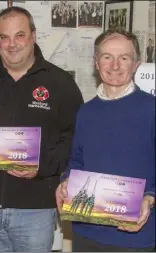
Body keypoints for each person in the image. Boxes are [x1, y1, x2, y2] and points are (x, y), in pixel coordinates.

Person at [0, 6, 84, 252]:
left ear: (33, 36)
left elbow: (75, 139)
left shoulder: (60, 83)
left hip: (36, 209)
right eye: (4, 37)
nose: (11, 44)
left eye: (19, 35)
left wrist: (42, 166)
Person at [56, 29, 155, 252]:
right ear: (96, 63)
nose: (115, 65)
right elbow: (77, 161)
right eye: (107, 57)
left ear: (136, 64)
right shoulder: (86, 112)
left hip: (136, 236)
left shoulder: (151, 109)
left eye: (124, 58)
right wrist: (66, 180)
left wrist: (150, 197)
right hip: (87, 232)